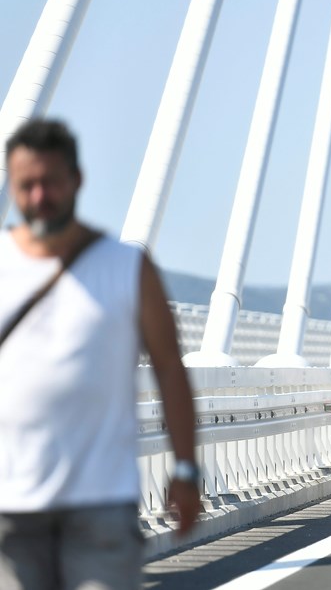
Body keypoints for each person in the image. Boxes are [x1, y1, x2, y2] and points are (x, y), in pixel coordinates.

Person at [0, 119, 200, 589]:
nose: (39, 197)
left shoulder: (127, 268)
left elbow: (170, 370)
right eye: (26, 185)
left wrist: (186, 469)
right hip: (10, 506)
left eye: (50, 182)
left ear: (77, 180)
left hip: (101, 503)